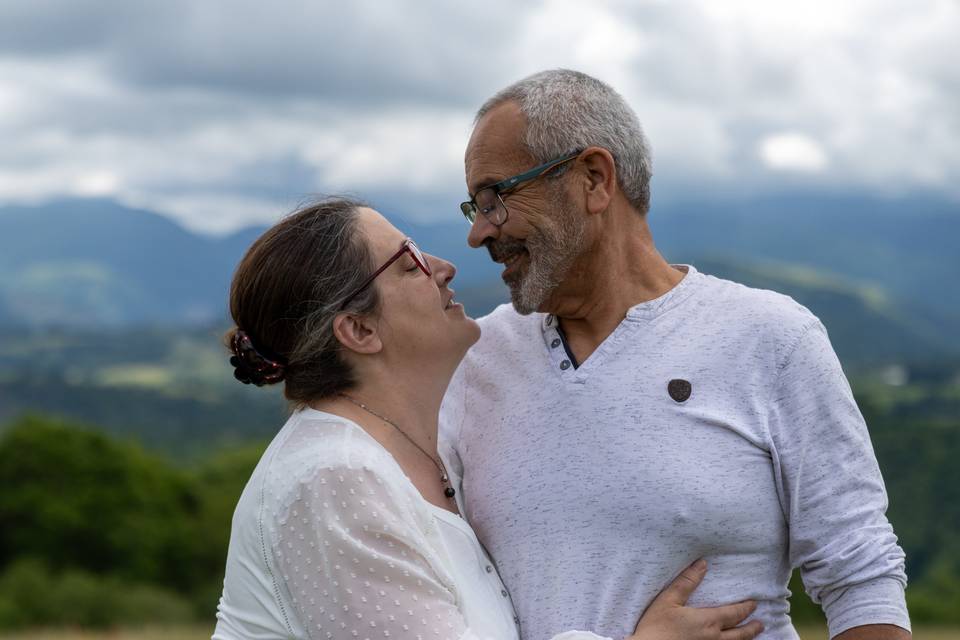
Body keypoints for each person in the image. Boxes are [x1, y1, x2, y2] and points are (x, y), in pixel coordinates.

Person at [441, 69, 912, 640]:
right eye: (475, 207)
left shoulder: (773, 339)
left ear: (593, 178)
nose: (478, 234)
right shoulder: (470, 363)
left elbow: (860, 574)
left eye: (496, 198)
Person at [211, 198, 764, 640]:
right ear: (359, 331)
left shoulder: (418, 454)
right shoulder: (331, 479)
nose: (445, 268)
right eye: (410, 265)